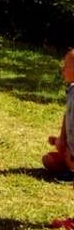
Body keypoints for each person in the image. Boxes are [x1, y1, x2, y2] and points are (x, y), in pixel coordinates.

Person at [42, 48, 74, 181]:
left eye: (66, 66)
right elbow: (67, 115)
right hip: (70, 148)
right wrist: (60, 139)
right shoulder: (71, 90)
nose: (63, 69)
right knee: (48, 160)